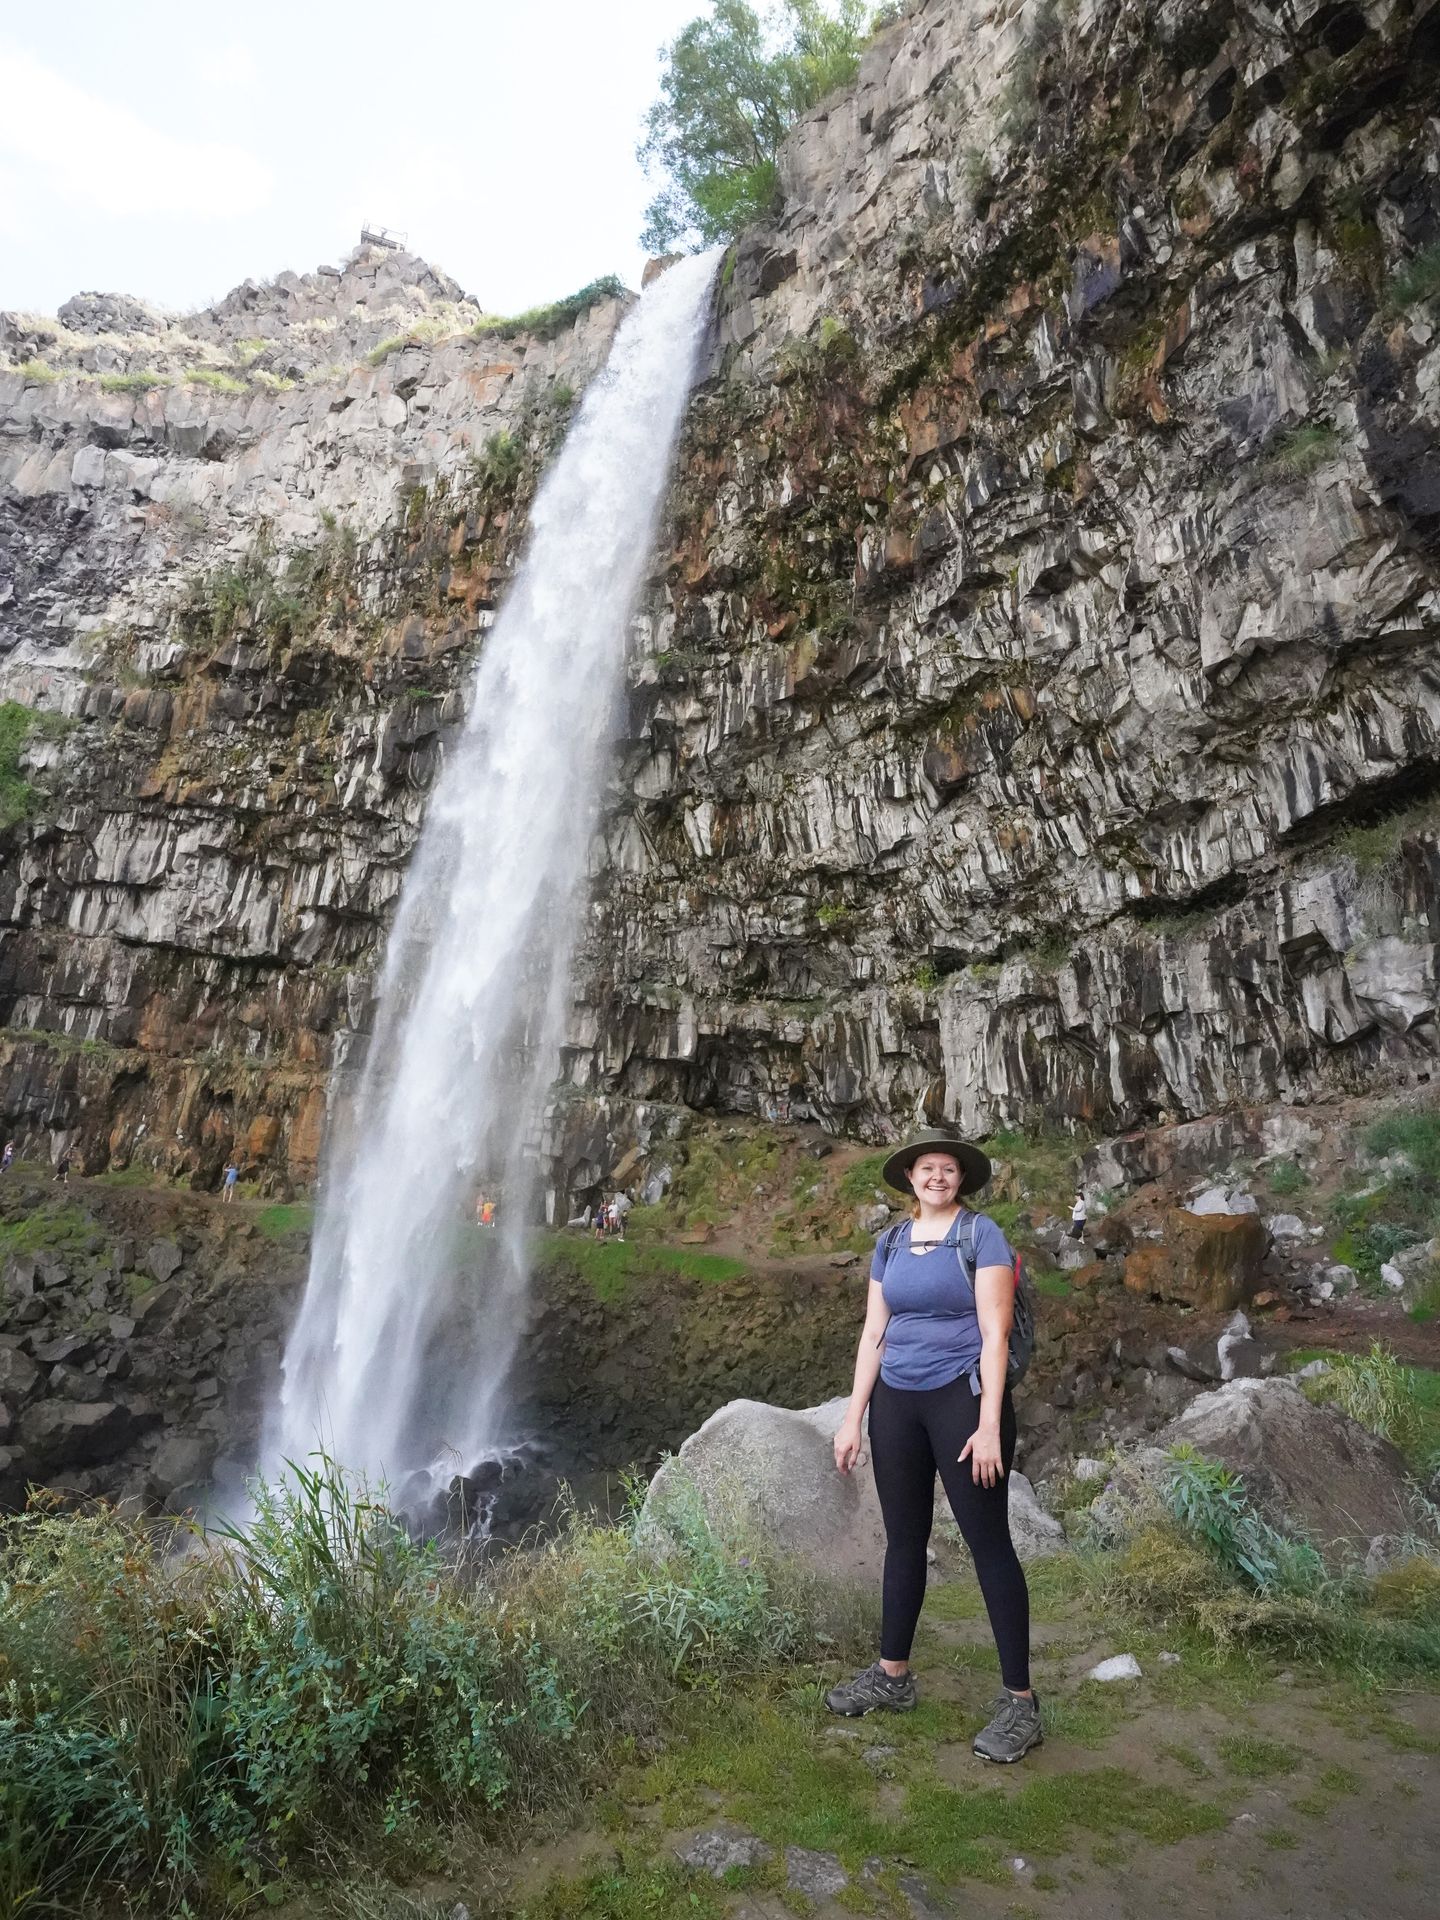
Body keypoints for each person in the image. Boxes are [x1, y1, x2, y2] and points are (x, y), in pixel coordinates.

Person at [829, 1127, 1040, 1764]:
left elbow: (995, 1336)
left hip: (962, 1397)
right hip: (897, 1401)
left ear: (961, 1179)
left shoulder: (982, 1237)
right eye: (927, 1168)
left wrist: (986, 1422)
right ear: (910, 1179)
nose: (938, 1177)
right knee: (903, 1540)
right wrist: (852, 1416)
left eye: (948, 1169)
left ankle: (1022, 1703)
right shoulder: (889, 1243)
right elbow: (874, 1333)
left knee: (988, 1543)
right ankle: (893, 1677)